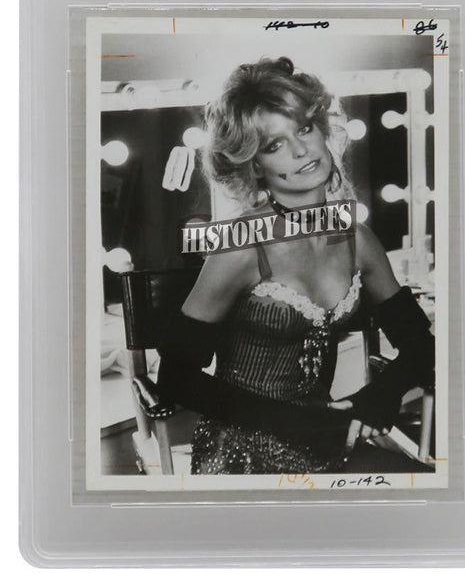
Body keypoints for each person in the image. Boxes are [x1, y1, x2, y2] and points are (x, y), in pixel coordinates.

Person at [156, 57, 435, 474]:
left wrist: (380, 395)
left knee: (419, 489)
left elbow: (421, 345)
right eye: (275, 145)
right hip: (241, 451)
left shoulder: (356, 239)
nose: (301, 150)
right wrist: (304, 424)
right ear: (255, 164)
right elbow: (176, 378)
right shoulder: (242, 246)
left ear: (322, 130)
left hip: (326, 438)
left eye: (304, 129)